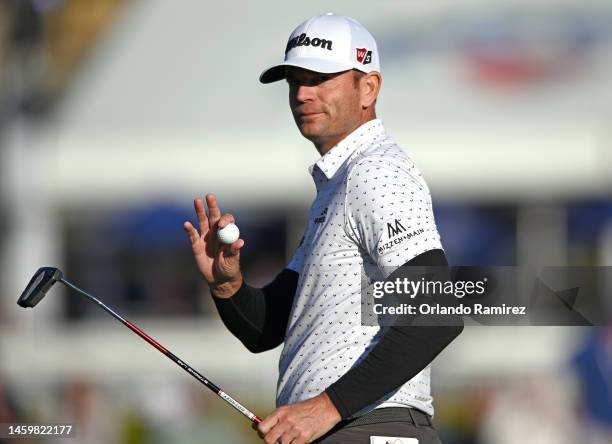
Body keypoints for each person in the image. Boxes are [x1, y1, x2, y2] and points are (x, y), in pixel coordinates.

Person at [184, 13, 463, 444]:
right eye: (295, 80)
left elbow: (436, 313)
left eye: (320, 78)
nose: (303, 94)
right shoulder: (337, 185)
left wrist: (326, 408)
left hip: (370, 427)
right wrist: (228, 285)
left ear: (368, 88)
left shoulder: (375, 172)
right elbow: (266, 329)